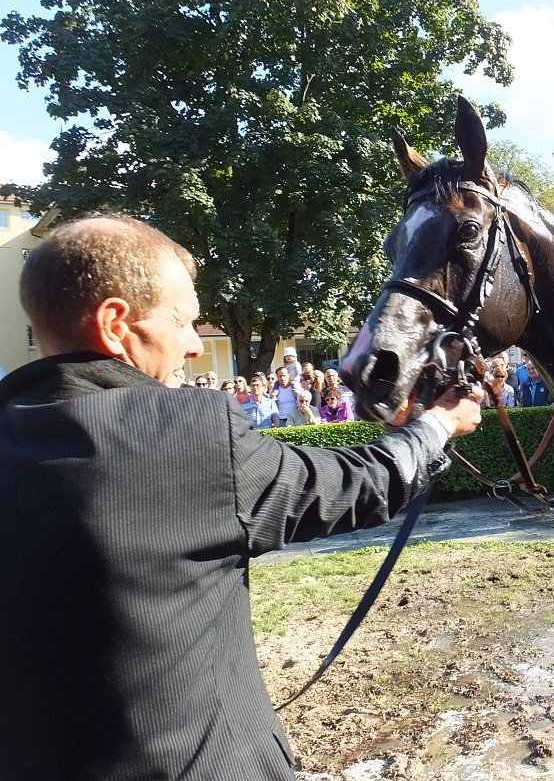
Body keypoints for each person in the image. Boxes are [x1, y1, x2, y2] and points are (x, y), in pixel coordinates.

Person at [0, 213, 483, 781]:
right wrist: (436, 427)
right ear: (115, 324)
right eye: (184, 323)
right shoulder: (187, 433)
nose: (189, 347)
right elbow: (353, 485)